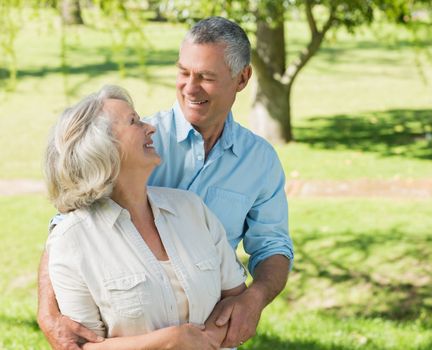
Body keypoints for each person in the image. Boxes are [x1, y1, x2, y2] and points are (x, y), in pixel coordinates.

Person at [38, 16, 294, 349]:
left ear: (242, 78)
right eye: (184, 72)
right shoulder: (138, 142)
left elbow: (272, 245)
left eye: (205, 77)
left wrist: (254, 298)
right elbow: (70, 228)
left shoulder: (258, 161)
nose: (190, 87)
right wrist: (47, 309)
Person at [44, 85, 247, 349]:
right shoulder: (71, 240)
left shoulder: (191, 208)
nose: (150, 127)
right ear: (101, 147)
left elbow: (236, 301)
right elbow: (81, 345)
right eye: (134, 121)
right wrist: (172, 341)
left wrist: (199, 341)